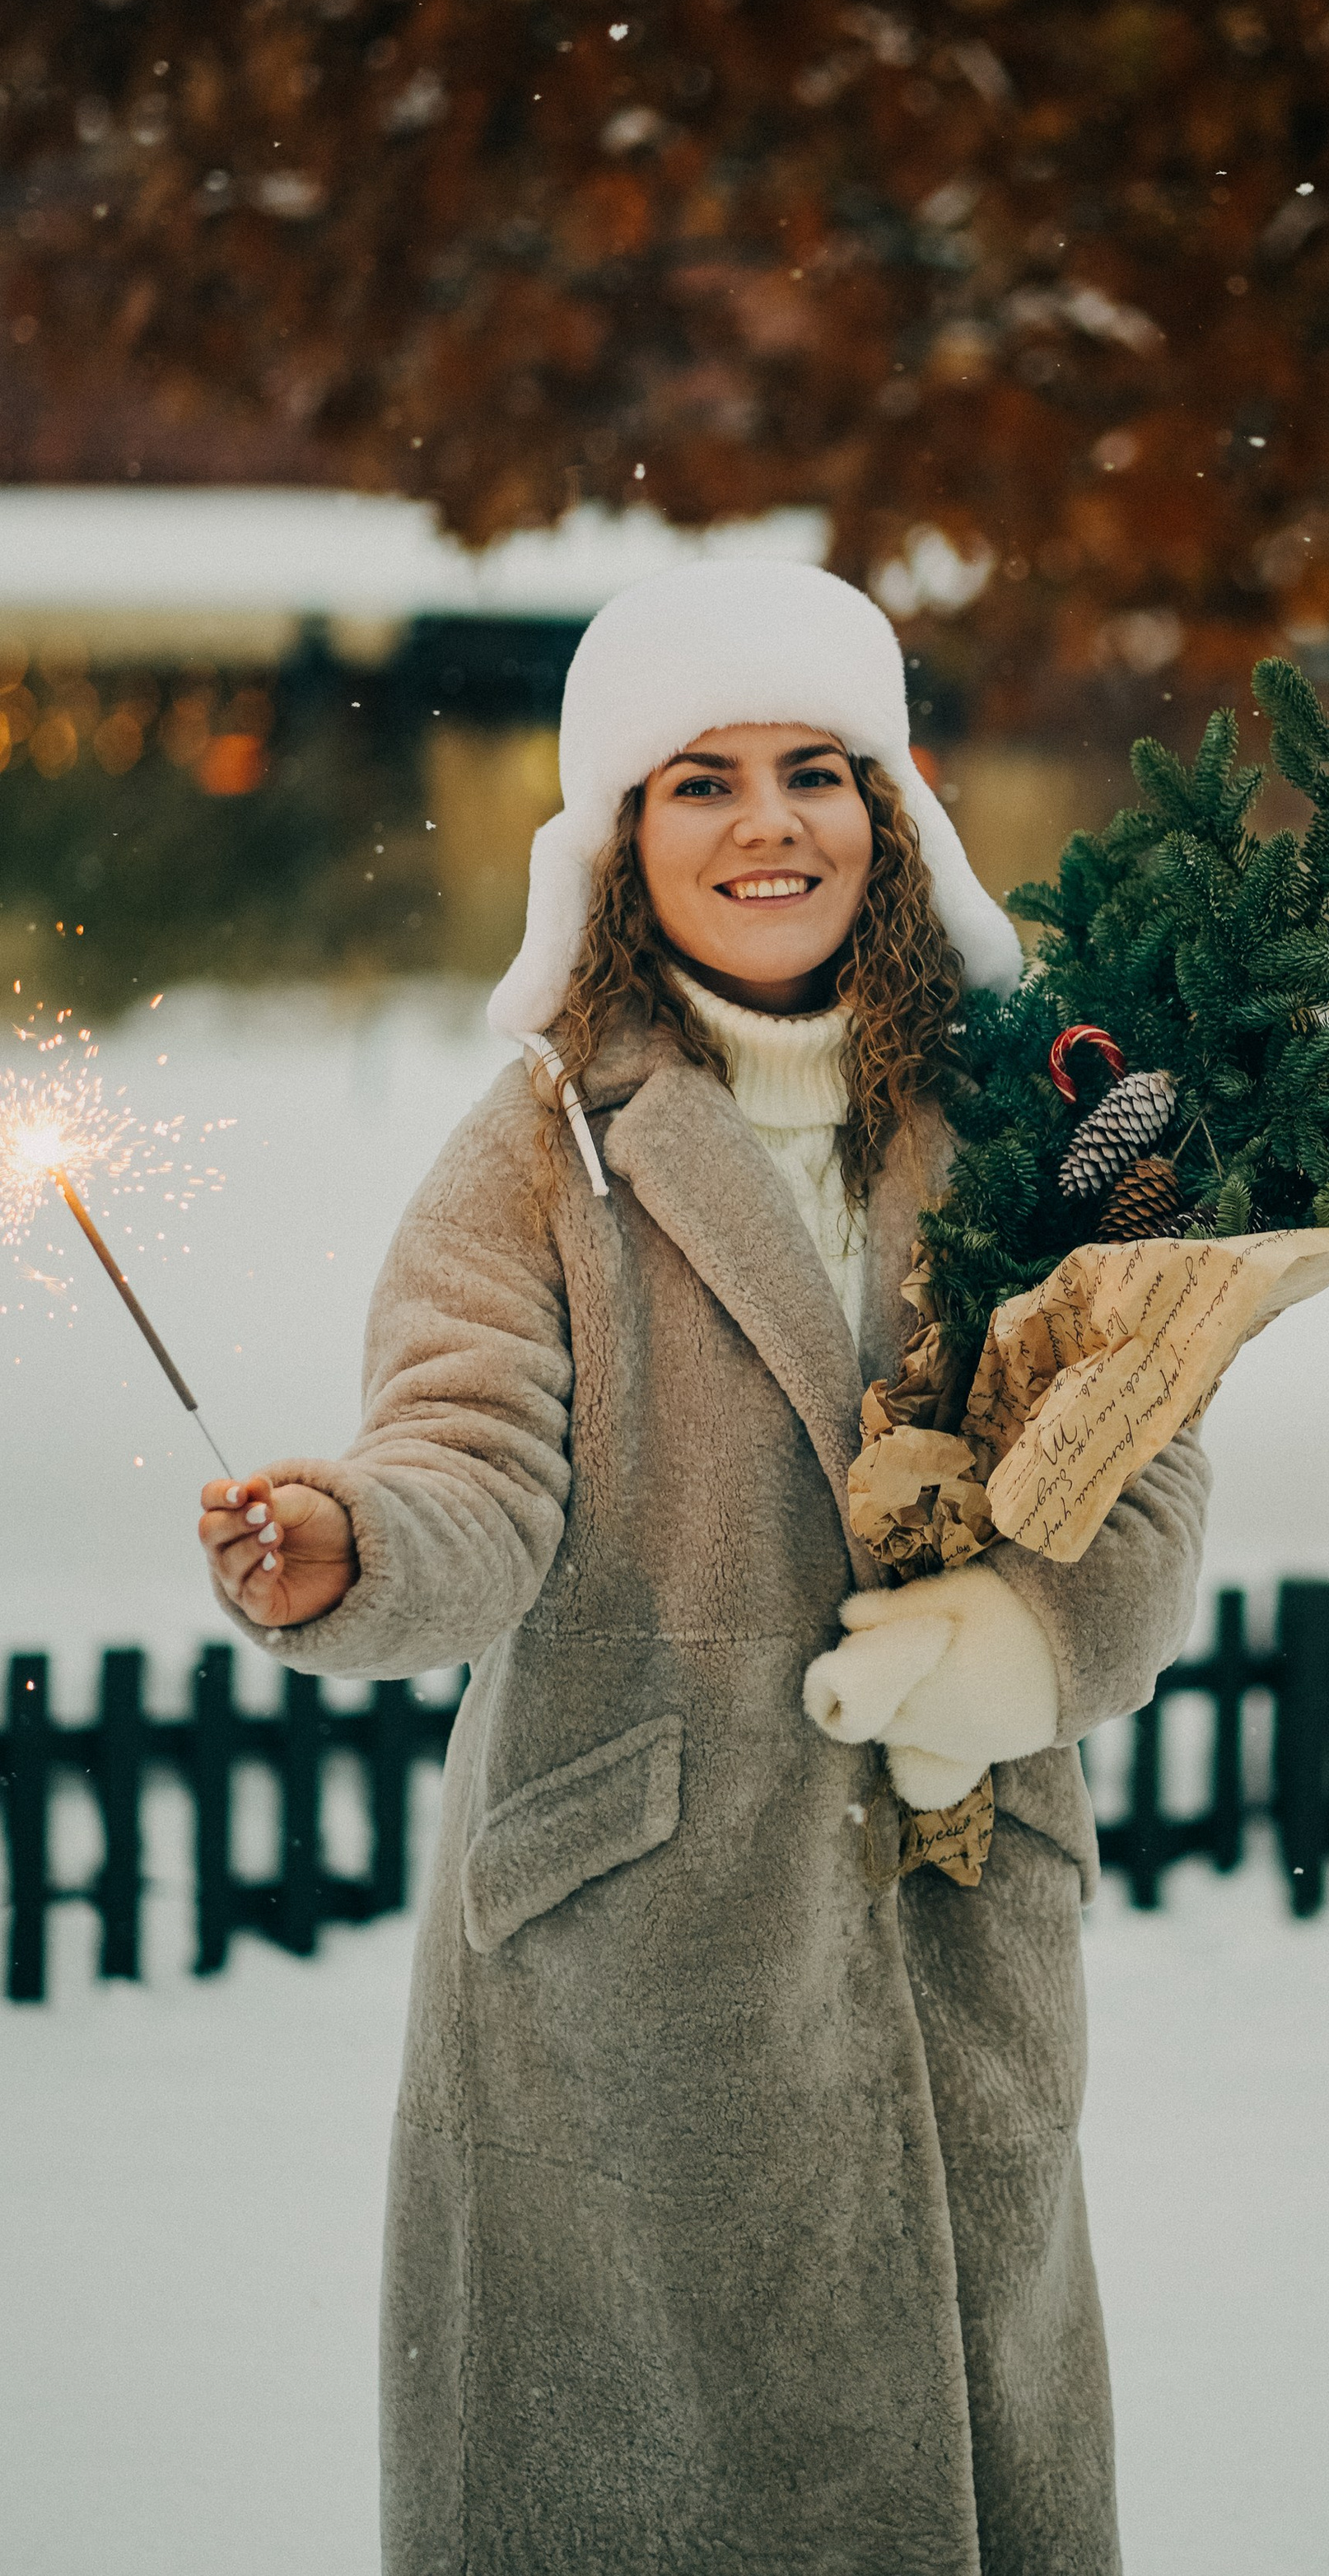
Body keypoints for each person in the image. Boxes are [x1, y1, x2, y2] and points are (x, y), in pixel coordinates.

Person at [198, 558, 1210, 2576]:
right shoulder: (540, 1150)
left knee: (962, 2444)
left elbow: (1145, 1456)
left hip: (949, 1912)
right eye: (701, 781)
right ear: (616, 840)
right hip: (633, 1961)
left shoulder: (1029, 1121)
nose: (767, 825)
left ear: (891, 812)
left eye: (813, 771)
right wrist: (353, 1548)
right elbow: (464, 1458)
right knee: (644, 2479)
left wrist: (1016, 1651)